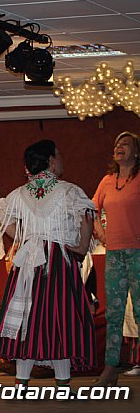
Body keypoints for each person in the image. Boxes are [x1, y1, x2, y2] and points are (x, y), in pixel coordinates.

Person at [0, 139, 95, 390]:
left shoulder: (19, 194)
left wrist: (27, 235)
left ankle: (21, 383)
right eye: (58, 155)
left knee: (28, 316)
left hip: (28, 260)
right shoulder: (68, 190)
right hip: (57, 257)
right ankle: (62, 385)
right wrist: (81, 247)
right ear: (50, 160)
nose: (61, 159)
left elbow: (3, 218)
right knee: (58, 316)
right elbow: (86, 216)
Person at [92, 131, 140, 385]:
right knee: (114, 311)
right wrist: (99, 229)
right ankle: (110, 368)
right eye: (116, 144)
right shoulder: (107, 181)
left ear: (136, 152)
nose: (119, 147)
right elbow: (92, 207)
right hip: (114, 253)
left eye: (125, 144)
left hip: (138, 253)